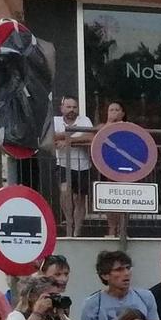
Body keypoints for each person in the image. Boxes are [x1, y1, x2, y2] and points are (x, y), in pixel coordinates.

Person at [52, 93, 94, 237]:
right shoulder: (55, 120)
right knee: (65, 191)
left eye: (75, 107)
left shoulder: (85, 120)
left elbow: (90, 137)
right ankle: (69, 223)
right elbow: (51, 137)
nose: (72, 110)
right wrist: (76, 137)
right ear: (61, 108)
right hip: (63, 164)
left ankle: (77, 231)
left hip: (83, 165)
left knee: (79, 199)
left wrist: (67, 141)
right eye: (68, 107)